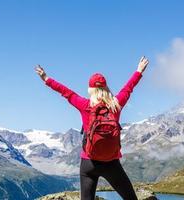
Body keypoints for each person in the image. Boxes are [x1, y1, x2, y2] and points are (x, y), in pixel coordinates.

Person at [35, 57, 149, 200]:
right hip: (112, 163)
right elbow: (128, 88)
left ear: (91, 89)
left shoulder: (85, 105)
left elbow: (67, 93)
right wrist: (139, 71)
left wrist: (46, 78)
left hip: (89, 162)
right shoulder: (115, 105)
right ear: (106, 88)